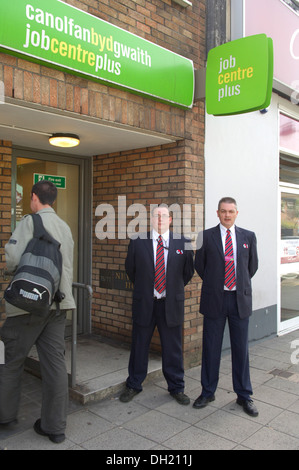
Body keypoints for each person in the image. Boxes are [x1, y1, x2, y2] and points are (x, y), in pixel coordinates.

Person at [0, 180, 76, 443]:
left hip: (27, 305)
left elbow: (11, 259)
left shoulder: (29, 222)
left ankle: (4, 416)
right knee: (55, 365)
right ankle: (55, 427)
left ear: (34, 198)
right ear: (52, 200)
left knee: (9, 358)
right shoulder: (65, 227)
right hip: (57, 305)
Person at [120, 204, 194, 405]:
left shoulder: (183, 242)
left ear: (170, 219)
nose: (159, 219)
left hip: (170, 304)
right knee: (139, 345)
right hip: (146, 302)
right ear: (151, 220)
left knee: (173, 348)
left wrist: (170, 288)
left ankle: (176, 387)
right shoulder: (138, 242)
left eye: (163, 216)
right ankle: (134, 384)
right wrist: (147, 288)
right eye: (156, 216)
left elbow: (186, 273)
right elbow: (131, 270)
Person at [193, 197, 259, 417]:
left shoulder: (248, 237)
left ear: (237, 213)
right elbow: (200, 266)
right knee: (211, 348)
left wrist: (235, 285)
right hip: (215, 300)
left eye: (231, 211)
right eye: (223, 211)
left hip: (239, 300)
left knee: (241, 350)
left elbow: (251, 267)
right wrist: (217, 283)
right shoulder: (205, 237)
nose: (227, 215)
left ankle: (244, 395)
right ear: (217, 213)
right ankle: (208, 391)